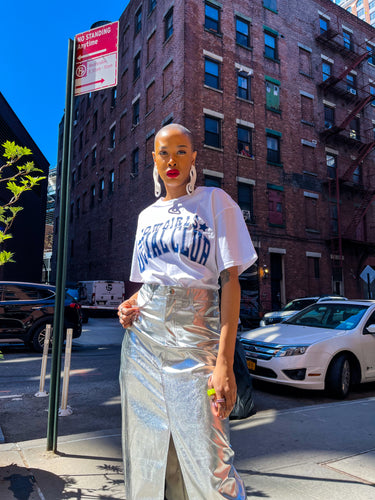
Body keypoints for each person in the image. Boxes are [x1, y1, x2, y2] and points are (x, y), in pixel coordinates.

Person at [118, 123, 257, 499]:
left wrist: (224, 362)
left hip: (197, 336)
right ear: (154, 160)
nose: (172, 160)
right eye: (164, 152)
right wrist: (128, 307)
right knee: (148, 450)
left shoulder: (215, 201)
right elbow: (148, 284)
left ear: (194, 157)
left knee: (208, 455)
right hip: (142, 343)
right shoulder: (146, 216)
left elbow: (230, 282)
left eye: (181, 151)